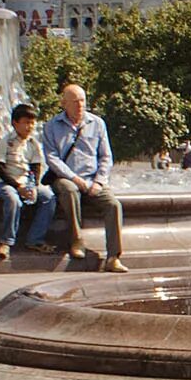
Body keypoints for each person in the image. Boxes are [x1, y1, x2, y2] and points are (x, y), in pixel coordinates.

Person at [42, 84, 127, 272]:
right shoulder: (51, 126)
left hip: (92, 178)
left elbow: (106, 157)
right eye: (75, 102)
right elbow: (52, 158)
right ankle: (76, 240)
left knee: (113, 205)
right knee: (69, 190)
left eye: (82, 101)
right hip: (65, 177)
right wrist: (74, 178)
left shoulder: (97, 123)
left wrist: (99, 181)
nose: (80, 105)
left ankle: (114, 257)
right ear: (64, 104)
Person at [0, 102, 56, 262]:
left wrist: (33, 186)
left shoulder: (33, 144)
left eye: (32, 123)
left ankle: (35, 239)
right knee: (13, 201)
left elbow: (36, 167)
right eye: (26, 122)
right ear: (15, 123)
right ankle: (6, 242)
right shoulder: (5, 142)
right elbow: (0, 169)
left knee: (48, 196)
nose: (30, 127)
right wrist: (18, 187)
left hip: (26, 183)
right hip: (7, 184)